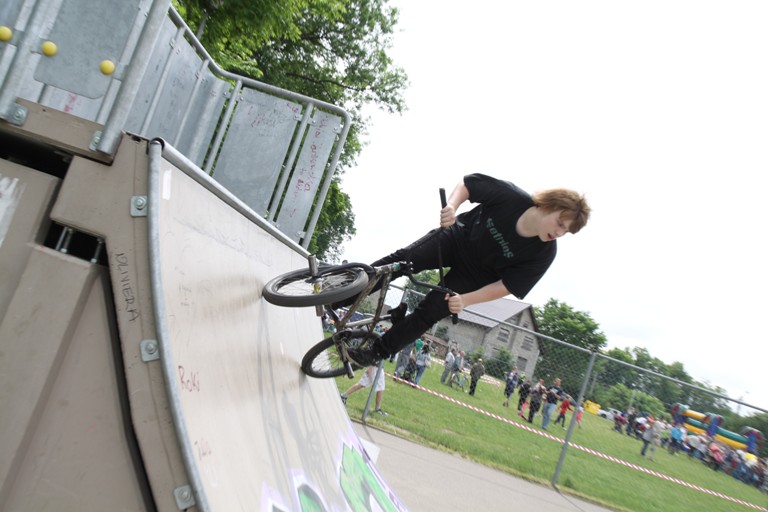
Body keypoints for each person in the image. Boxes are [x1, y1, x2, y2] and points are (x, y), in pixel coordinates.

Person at [343, 173, 591, 366]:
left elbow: (506, 286)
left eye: (566, 231)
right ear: (548, 205)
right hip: (457, 238)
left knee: (432, 310)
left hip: (475, 276)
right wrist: (452, 206)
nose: (559, 232)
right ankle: (344, 293)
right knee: (404, 261)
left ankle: (375, 352)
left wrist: (466, 300)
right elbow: (468, 185)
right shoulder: (512, 197)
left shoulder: (544, 254)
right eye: (560, 223)